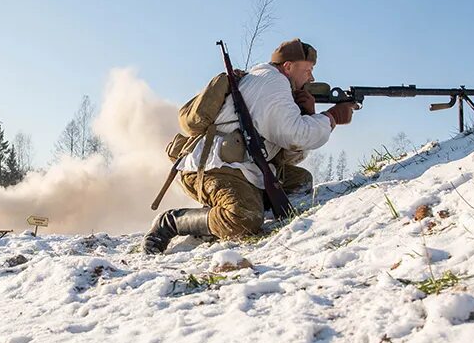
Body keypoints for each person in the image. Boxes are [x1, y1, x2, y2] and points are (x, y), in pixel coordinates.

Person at [143, 38, 355, 254]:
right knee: (244, 218)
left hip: (240, 167)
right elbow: (297, 135)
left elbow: (290, 153)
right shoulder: (273, 83)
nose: (311, 77)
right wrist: (331, 117)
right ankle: (170, 222)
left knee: (299, 182)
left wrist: (308, 114)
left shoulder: (268, 80)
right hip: (213, 169)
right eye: (308, 70)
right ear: (288, 66)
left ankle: (222, 213)